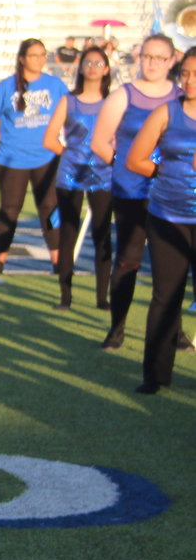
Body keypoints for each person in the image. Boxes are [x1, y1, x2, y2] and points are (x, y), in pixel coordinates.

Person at [90, 33, 183, 350]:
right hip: (132, 192)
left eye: (160, 58)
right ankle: (117, 328)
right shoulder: (123, 96)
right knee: (128, 259)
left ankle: (175, 330)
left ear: (172, 61)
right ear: (139, 58)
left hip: (175, 195)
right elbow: (100, 142)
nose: (153, 63)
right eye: (147, 56)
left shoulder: (184, 97)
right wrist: (127, 165)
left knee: (172, 265)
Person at [124, 47, 196, 393]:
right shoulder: (166, 113)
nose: (190, 80)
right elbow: (135, 159)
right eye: (186, 73)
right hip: (168, 216)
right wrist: (166, 169)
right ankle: (155, 376)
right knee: (166, 296)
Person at [0, 39, 69, 275]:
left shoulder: (54, 84)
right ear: (22, 59)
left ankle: (58, 260)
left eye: (43, 54)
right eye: (34, 55)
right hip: (12, 158)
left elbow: (69, 112)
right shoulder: (5, 86)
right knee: (9, 209)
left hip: (47, 157)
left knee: (51, 209)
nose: (40, 59)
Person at [42, 46, 113, 310]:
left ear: (107, 69)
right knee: (68, 236)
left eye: (99, 62)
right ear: (81, 67)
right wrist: (71, 155)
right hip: (71, 176)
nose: (93, 67)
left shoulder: (113, 101)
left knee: (102, 235)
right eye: (88, 62)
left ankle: (102, 299)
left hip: (104, 176)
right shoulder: (68, 101)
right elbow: (49, 139)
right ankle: (66, 297)